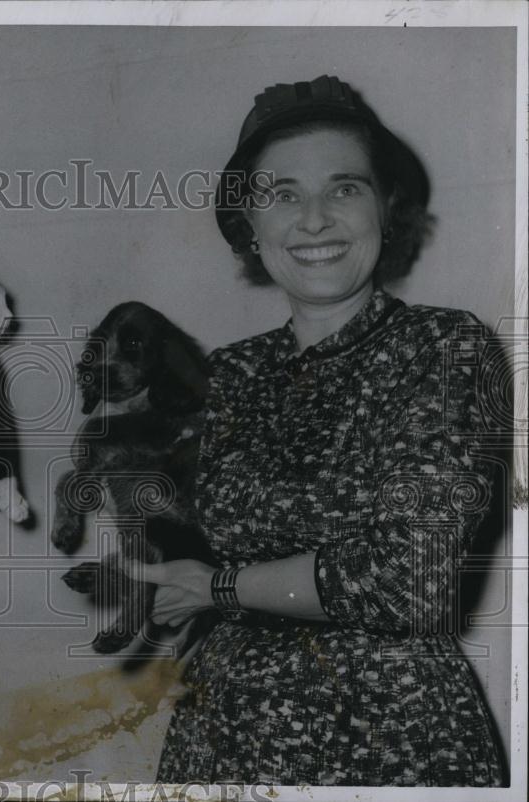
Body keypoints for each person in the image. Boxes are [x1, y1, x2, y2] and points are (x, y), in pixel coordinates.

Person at [129, 75, 507, 785]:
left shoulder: (446, 346)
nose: (313, 220)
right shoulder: (232, 374)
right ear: (250, 224)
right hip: (224, 731)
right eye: (282, 195)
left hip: (389, 731)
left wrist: (219, 588)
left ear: (386, 207)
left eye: (344, 188)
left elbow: (412, 579)